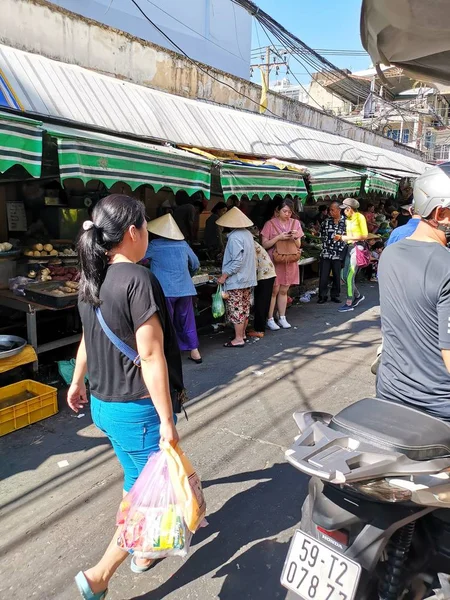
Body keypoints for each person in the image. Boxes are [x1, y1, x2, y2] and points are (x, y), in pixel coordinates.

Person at [68, 194, 181, 599]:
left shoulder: (91, 278)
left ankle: (146, 552)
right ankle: (100, 574)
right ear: (133, 232)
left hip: (103, 405)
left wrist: (77, 381)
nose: (147, 233)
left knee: (137, 479)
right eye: (146, 226)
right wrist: (168, 422)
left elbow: (86, 337)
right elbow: (150, 356)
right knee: (150, 496)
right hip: (137, 409)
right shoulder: (138, 279)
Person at [377, 164, 450, 419]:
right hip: (439, 409)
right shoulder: (447, 267)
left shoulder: (390, 253)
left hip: (390, 393)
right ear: (441, 213)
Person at [146, 213, 202, 364]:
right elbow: (196, 264)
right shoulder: (183, 245)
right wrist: (187, 275)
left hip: (164, 291)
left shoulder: (154, 245)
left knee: (166, 322)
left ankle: (166, 353)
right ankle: (195, 352)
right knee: (187, 320)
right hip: (185, 289)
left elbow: (138, 259)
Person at [216, 207, 257, 347]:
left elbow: (236, 262)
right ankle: (243, 334)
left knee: (236, 309)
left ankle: (238, 338)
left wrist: (224, 276)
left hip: (237, 279)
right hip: (247, 278)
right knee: (245, 308)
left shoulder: (234, 237)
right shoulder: (247, 234)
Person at [261, 198, 303, 330]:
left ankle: (282, 317)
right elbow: (265, 244)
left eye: (290, 212)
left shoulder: (295, 223)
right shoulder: (269, 224)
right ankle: (270, 318)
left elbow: (299, 245)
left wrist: (294, 237)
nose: (287, 214)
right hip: (274, 260)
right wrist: (278, 237)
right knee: (274, 290)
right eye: (284, 211)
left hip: (289, 260)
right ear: (277, 211)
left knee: (284, 289)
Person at [334, 198, 368, 313]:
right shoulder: (348, 219)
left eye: (345, 210)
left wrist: (344, 238)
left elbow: (364, 236)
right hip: (349, 248)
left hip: (358, 247)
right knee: (343, 275)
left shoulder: (360, 217)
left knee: (349, 276)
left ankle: (349, 302)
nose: (343, 212)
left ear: (349, 209)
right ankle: (358, 296)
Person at [247, 228, 276, 338]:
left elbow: (252, 263)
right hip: (268, 273)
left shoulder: (251, 246)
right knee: (263, 302)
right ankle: (259, 327)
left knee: (261, 302)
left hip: (264, 275)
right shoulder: (253, 243)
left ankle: (259, 330)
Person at [318, 201, 346, 304]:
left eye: (332, 210)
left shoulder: (346, 222)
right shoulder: (326, 222)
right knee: (323, 275)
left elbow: (348, 237)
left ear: (339, 210)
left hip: (338, 253)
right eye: (330, 210)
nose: (330, 212)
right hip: (326, 252)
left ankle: (335, 295)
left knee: (336, 275)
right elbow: (321, 234)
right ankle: (322, 296)